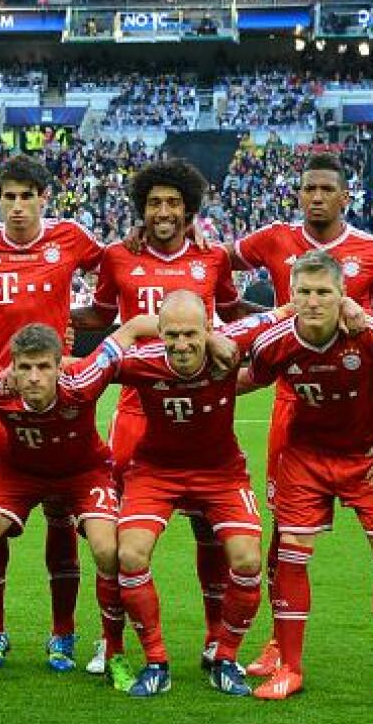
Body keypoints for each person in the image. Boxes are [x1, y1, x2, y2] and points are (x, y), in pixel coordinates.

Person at [228, 153, 373, 685]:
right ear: (298, 194)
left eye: (326, 189)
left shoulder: (372, 250)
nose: (316, 197)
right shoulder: (273, 239)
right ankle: (279, 643)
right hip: (292, 403)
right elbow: (216, 262)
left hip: (362, 402)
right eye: (308, 189)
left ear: (345, 197)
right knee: (285, 531)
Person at [70, 158, 266, 674]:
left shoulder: (212, 258)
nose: (163, 211)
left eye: (173, 203)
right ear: (141, 208)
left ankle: (214, 636)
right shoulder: (118, 256)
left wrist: (293, 310)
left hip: (197, 407)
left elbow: (231, 313)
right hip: (136, 410)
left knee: (210, 532)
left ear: (189, 209)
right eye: (154, 202)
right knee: (115, 540)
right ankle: (110, 642)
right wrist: (46, 317)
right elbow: (100, 315)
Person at [0, 320, 149, 689]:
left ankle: (114, 654)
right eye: (25, 367)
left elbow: (132, 328)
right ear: (12, 368)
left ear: (60, 366)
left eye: (44, 367)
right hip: (19, 473)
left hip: (84, 472)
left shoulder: (83, 379)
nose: (34, 377)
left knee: (108, 550)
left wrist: (207, 335)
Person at [0, 154, 105, 671]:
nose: (18, 206)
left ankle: (62, 633)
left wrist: (74, 320)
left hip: (55, 403)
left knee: (61, 520)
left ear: (45, 198)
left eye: (27, 196)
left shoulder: (72, 237)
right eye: (9, 196)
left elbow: (114, 274)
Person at [113, 292, 293, 698]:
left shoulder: (234, 341)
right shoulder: (140, 362)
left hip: (220, 472)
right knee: (130, 555)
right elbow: (82, 371)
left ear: (209, 330)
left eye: (191, 334)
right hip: (155, 471)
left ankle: (224, 658)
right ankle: (156, 663)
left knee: (247, 560)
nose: (181, 344)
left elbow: (288, 312)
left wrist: (351, 309)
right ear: (159, 334)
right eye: (172, 335)